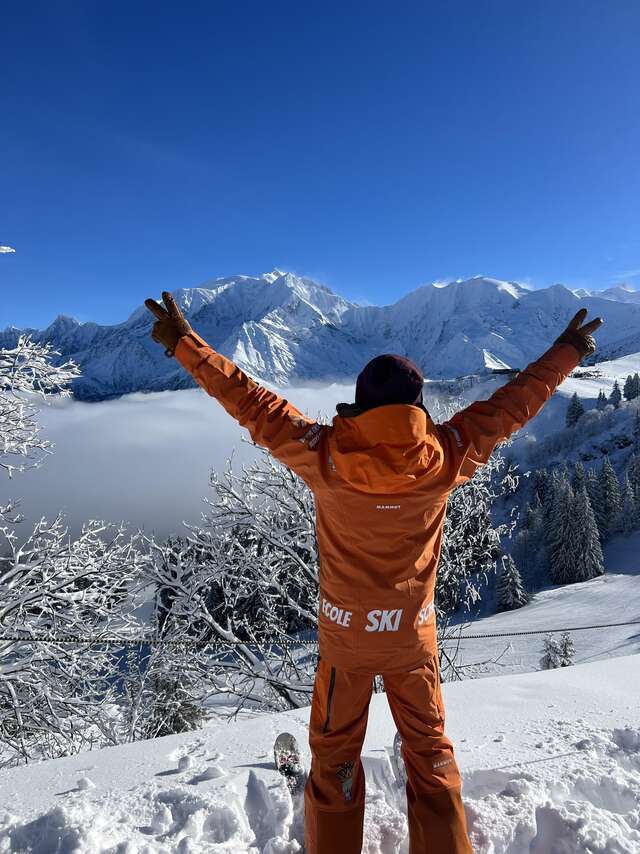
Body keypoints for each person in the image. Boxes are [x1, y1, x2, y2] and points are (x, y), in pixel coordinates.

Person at [145, 293, 603, 854]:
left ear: (359, 405)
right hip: (413, 639)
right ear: (417, 407)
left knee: (335, 758)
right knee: (430, 756)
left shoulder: (326, 456)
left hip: (347, 642)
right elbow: (512, 406)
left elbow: (252, 403)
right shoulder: (446, 455)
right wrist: (567, 352)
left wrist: (186, 345)